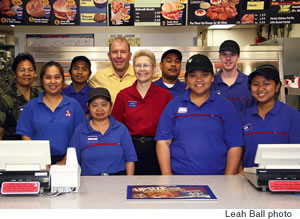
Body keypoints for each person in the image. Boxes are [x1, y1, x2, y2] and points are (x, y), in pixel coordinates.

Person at [155, 54, 243, 175]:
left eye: (204, 75)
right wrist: (167, 178)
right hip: (180, 179)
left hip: (217, 179)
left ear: (212, 78)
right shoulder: (173, 106)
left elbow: (235, 146)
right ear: (186, 79)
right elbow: (163, 142)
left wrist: (228, 180)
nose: (199, 80)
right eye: (193, 76)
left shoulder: (226, 107)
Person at [112, 49, 173, 175]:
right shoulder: (124, 95)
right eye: (138, 65)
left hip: (157, 151)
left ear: (154, 68)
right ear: (133, 68)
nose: (142, 69)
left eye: (146, 65)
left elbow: (172, 128)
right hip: (130, 151)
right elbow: (116, 128)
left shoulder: (165, 95)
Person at [16, 61, 85, 164]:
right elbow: (25, 135)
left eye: (57, 77)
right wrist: (38, 159)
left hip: (68, 161)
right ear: (42, 80)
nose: (53, 81)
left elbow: (80, 136)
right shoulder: (31, 106)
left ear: (63, 80)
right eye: (48, 77)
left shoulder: (73, 105)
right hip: (37, 162)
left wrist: (64, 161)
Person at [69, 87, 137, 176]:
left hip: (118, 181)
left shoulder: (121, 129)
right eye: (95, 105)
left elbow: (130, 159)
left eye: (104, 105)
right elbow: (73, 161)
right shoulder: (80, 130)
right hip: (88, 182)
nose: (99, 109)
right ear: (88, 107)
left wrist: (129, 181)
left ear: (111, 106)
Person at [242, 65, 300, 168]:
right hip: (248, 180)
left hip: (283, 181)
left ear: (277, 86)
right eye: (255, 84)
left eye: (266, 83)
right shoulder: (243, 116)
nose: (260, 88)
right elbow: (237, 151)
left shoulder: (293, 116)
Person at [0, 53, 40, 140]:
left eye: (30, 70)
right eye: (22, 70)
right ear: (14, 74)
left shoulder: (39, 96)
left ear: (34, 73)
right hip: (13, 150)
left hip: (37, 148)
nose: (27, 73)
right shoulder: (5, 98)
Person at [89, 37, 136, 103]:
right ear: (109, 56)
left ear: (130, 55)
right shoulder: (98, 77)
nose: (119, 56)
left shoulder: (140, 76)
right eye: (114, 52)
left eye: (123, 52)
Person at [213, 40, 252, 117]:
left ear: (238, 57)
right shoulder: (211, 83)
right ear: (219, 57)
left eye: (232, 55)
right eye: (224, 55)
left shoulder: (249, 82)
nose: (228, 58)